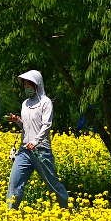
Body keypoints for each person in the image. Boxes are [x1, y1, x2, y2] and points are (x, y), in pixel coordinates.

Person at [6, 69, 69, 210]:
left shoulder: (46, 102)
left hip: (41, 150)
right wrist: (17, 120)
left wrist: (35, 141)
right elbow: (27, 126)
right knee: (14, 183)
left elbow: (46, 125)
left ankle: (67, 210)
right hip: (24, 151)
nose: (27, 87)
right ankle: (10, 216)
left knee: (53, 183)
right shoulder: (25, 104)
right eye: (25, 84)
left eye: (30, 84)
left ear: (37, 84)